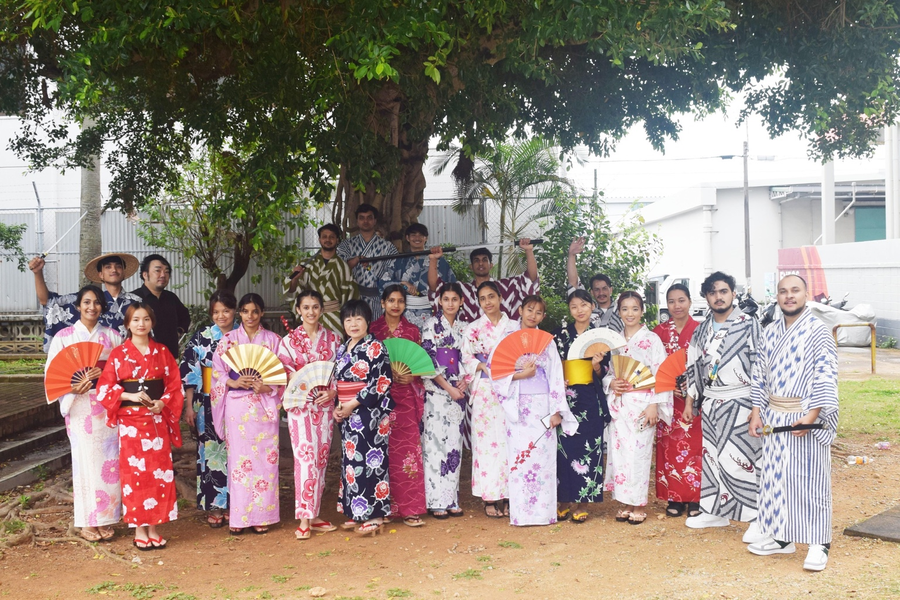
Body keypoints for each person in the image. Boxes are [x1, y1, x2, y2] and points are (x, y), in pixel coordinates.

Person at [747, 275, 839, 571]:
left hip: (804, 413)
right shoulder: (769, 332)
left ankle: (818, 542)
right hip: (774, 414)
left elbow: (825, 375)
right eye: (783, 291)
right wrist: (756, 411)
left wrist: (811, 417)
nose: (789, 296)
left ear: (806, 294)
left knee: (810, 479)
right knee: (775, 477)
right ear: (777, 296)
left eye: (795, 291)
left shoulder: (818, 332)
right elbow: (759, 374)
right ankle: (782, 538)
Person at [683, 272, 764, 541]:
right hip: (711, 401)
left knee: (743, 459)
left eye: (723, 291)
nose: (718, 297)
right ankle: (713, 510)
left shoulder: (748, 323)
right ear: (706, 297)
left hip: (742, 400)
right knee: (712, 458)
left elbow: (760, 366)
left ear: (733, 294)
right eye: (713, 292)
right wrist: (690, 400)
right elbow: (692, 365)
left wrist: (757, 407)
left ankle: (755, 516)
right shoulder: (702, 328)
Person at [96, 303, 184, 550]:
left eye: (146, 319)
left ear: (152, 322)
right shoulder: (118, 354)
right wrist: (128, 396)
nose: (141, 324)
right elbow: (105, 387)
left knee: (158, 474)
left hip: (156, 421)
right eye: (135, 320)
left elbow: (174, 385)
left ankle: (154, 528)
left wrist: (162, 403)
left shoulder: (162, 352)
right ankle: (138, 529)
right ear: (127, 324)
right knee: (134, 475)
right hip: (131, 424)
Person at [45, 285, 124, 542]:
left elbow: (123, 373)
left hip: (106, 406)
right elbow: (52, 375)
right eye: (87, 302)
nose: (92, 307)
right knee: (84, 462)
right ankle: (88, 521)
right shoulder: (63, 337)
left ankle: (107, 518)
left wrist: (106, 374)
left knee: (109, 461)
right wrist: (71, 387)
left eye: (97, 302)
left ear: (102, 307)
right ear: (78, 306)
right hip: (78, 404)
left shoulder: (112, 337)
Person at [493, 296, 577, 526]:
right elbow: (497, 375)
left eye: (538, 312)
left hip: (543, 405)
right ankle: (521, 513)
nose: (533, 315)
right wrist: (522, 375)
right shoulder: (507, 339)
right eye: (529, 310)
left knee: (543, 458)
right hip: (518, 406)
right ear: (520, 310)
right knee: (520, 458)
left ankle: (543, 513)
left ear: (543, 317)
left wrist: (556, 410)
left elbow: (556, 377)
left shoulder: (546, 342)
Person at [210, 293, 288, 535]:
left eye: (255, 311)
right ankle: (240, 516)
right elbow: (216, 373)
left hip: (264, 406)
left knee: (266, 462)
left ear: (262, 313)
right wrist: (233, 383)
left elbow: (284, 374)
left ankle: (262, 516)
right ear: (239, 313)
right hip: (238, 409)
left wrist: (269, 387)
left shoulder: (275, 341)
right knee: (239, 464)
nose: (250, 316)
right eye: (245, 311)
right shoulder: (228, 341)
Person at [603, 292, 673, 525]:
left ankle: (638, 503)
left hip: (643, 403)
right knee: (620, 455)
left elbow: (661, 373)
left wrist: (655, 404)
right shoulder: (615, 340)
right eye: (625, 309)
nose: (630, 313)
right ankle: (624, 501)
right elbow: (610, 373)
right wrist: (611, 383)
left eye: (635, 308)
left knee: (638, 455)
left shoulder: (651, 339)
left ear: (642, 311)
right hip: (621, 403)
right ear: (619, 312)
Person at [280, 290, 340, 540]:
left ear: (322, 310)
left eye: (315, 307)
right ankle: (304, 517)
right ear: (298, 310)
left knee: (321, 460)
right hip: (301, 407)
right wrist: (296, 377)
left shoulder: (334, 339)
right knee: (305, 460)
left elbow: (339, 370)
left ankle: (314, 515)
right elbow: (282, 371)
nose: (311, 312)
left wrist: (333, 391)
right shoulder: (288, 341)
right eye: (306, 307)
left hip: (324, 407)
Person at [333, 299, 395, 536]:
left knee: (372, 461)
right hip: (349, 412)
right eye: (348, 319)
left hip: (371, 413)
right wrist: (340, 405)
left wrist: (351, 404)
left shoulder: (375, 347)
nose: (353, 323)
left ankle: (376, 515)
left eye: (358, 318)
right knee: (352, 462)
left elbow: (380, 382)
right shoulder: (344, 347)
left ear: (368, 321)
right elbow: (339, 381)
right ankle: (357, 511)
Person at [460, 281, 519, 518]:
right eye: (483, 298)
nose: (488, 302)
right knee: (486, 444)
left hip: (511, 386)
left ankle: (509, 493)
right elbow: (465, 356)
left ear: (501, 297)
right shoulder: (473, 329)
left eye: (491, 296)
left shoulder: (514, 326)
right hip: (485, 387)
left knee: (509, 440)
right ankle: (490, 496)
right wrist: (479, 364)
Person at [370, 285, 427, 527]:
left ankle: (410, 508)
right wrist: (384, 376)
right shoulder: (373, 329)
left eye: (400, 301)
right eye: (391, 300)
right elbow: (365, 364)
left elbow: (420, 366)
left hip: (405, 398)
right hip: (378, 399)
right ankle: (381, 507)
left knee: (408, 454)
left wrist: (411, 376)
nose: (396, 305)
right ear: (382, 303)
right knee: (379, 454)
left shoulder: (413, 331)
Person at [552, 289, 611, 523]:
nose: (579, 310)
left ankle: (583, 500)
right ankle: (564, 498)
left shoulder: (599, 336)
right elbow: (552, 366)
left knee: (589, 447)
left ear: (592, 306)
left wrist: (596, 365)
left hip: (590, 396)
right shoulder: (559, 335)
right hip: (565, 395)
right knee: (564, 449)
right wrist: (558, 381)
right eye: (574, 306)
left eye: (584, 305)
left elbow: (605, 371)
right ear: (569, 309)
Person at [179, 290, 237, 529]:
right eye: (216, 311)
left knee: (239, 452)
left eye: (226, 310)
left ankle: (239, 505)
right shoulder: (202, 336)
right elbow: (190, 370)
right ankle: (215, 506)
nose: (221, 316)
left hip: (239, 400)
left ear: (234, 311)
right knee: (212, 453)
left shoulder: (243, 335)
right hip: (208, 402)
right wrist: (190, 407)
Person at [652, 284, 702, 519]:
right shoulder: (658, 332)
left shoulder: (701, 330)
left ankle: (695, 498)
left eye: (681, 300)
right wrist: (668, 385)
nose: (677, 306)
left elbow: (707, 364)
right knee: (670, 448)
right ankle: (674, 496)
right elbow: (653, 367)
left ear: (690, 302)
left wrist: (693, 387)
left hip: (695, 399)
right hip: (668, 398)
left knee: (695, 449)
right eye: (671, 301)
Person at [420, 282, 470, 518]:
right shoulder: (430, 325)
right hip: (437, 391)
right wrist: (448, 387)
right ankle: (434, 500)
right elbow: (427, 360)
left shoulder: (465, 328)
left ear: (461, 302)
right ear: (439, 301)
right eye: (446, 299)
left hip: (457, 391)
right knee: (434, 444)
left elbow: (469, 358)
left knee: (453, 445)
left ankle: (451, 498)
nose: (450, 303)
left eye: (454, 299)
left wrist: (465, 381)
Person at [29, 253, 141, 351]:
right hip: (95, 359)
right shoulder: (88, 299)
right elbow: (48, 301)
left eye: (118, 266)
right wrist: (37, 273)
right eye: (108, 267)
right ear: (100, 274)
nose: (114, 270)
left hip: (127, 359)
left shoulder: (137, 301)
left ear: (124, 272)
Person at [428, 239, 539, 323]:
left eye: (484, 260)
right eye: (476, 261)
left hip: (500, 344)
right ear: (471, 266)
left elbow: (530, 278)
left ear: (491, 265)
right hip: (470, 343)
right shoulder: (462, 289)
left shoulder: (505, 287)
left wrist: (529, 250)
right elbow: (435, 287)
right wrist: (433, 259)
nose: (481, 263)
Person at [284, 224, 359, 336]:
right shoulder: (306, 264)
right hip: (311, 315)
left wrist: (347, 320)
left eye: (331, 237)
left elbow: (351, 296)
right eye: (324, 236)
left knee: (335, 349)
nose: (328, 240)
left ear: (337, 240)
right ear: (319, 239)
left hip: (335, 318)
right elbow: (293, 290)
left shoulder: (343, 267)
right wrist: (295, 279)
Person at [379, 223, 456, 330]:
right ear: (407, 238)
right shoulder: (398, 260)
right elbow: (382, 282)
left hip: (431, 309)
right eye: (413, 235)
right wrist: (402, 284)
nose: (417, 238)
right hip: (404, 311)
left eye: (421, 235)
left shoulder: (437, 260)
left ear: (426, 238)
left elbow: (452, 285)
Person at [336, 204, 398, 319]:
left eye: (369, 218)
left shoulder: (387, 247)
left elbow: (394, 272)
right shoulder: (346, 245)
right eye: (362, 218)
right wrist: (354, 261)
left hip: (378, 299)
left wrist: (374, 270)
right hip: (353, 298)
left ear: (375, 221)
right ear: (357, 221)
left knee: (378, 333)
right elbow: (338, 269)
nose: (366, 221)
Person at [132, 254, 191, 359]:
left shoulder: (171, 298)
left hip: (170, 359)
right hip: (141, 361)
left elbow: (185, 316)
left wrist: (178, 332)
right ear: (145, 275)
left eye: (167, 271)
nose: (163, 275)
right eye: (158, 271)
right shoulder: (133, 299)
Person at [565, 237, 623, 333]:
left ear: (611, 290)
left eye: (604, 288)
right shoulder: (587, 307)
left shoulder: (621, 308)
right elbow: (573, 282)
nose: (601, 293)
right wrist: (571, 255)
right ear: (591, 292)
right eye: (596, 289)